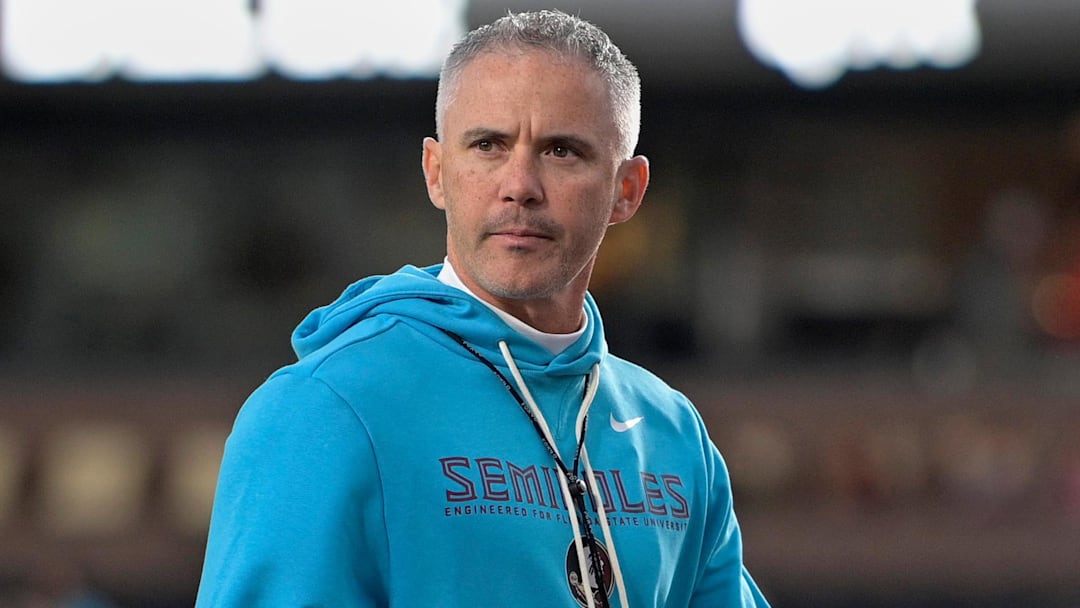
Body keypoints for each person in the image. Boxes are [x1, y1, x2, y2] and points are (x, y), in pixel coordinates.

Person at [195, 9, 770, 608]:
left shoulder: (672, 434)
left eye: (561, 151)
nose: (520, 183)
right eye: (489, 145)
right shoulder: (325, 411)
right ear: (437, 173)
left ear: (626, 190)